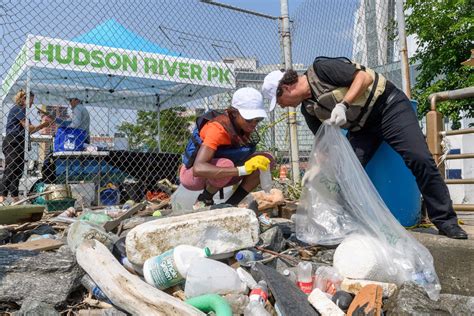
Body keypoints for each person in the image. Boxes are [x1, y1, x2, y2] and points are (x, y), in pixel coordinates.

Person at [261, 56, 467, 239]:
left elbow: (363, 78)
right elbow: (324, 146)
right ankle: (346, 225)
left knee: (419, 158)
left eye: (278, 101)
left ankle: (446, 221)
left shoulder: (321, 68)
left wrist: (344, 104)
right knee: (343, 174)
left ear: (285, 88)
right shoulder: (308, 109)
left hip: (389, 108)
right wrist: (315, 169)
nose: (281, 106)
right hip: (362, 129)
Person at [180, 87, 273, 210]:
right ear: (234, 113)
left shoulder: (243, 127)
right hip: (193, 176)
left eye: (258, 119)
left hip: (224, 174)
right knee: (226, 164)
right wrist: (242, 170)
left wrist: (248, 166)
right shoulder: (217, 129)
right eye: (249, 119)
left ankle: (231, 205)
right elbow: (198, 168)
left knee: (266, 159)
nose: (254, 123)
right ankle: (204, 199)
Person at [0, 90, 52, 206]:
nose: (32, 103)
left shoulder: (23, 111)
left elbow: (30, 129)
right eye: (31, 100)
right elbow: (29, 128)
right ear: (23, 99)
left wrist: (41, 126)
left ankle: (15, 197)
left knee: (18, 171)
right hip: (13, 142)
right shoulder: (19, 108)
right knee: (11, 169)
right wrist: (43, 125)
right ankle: (1, 197)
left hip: (19, 143)